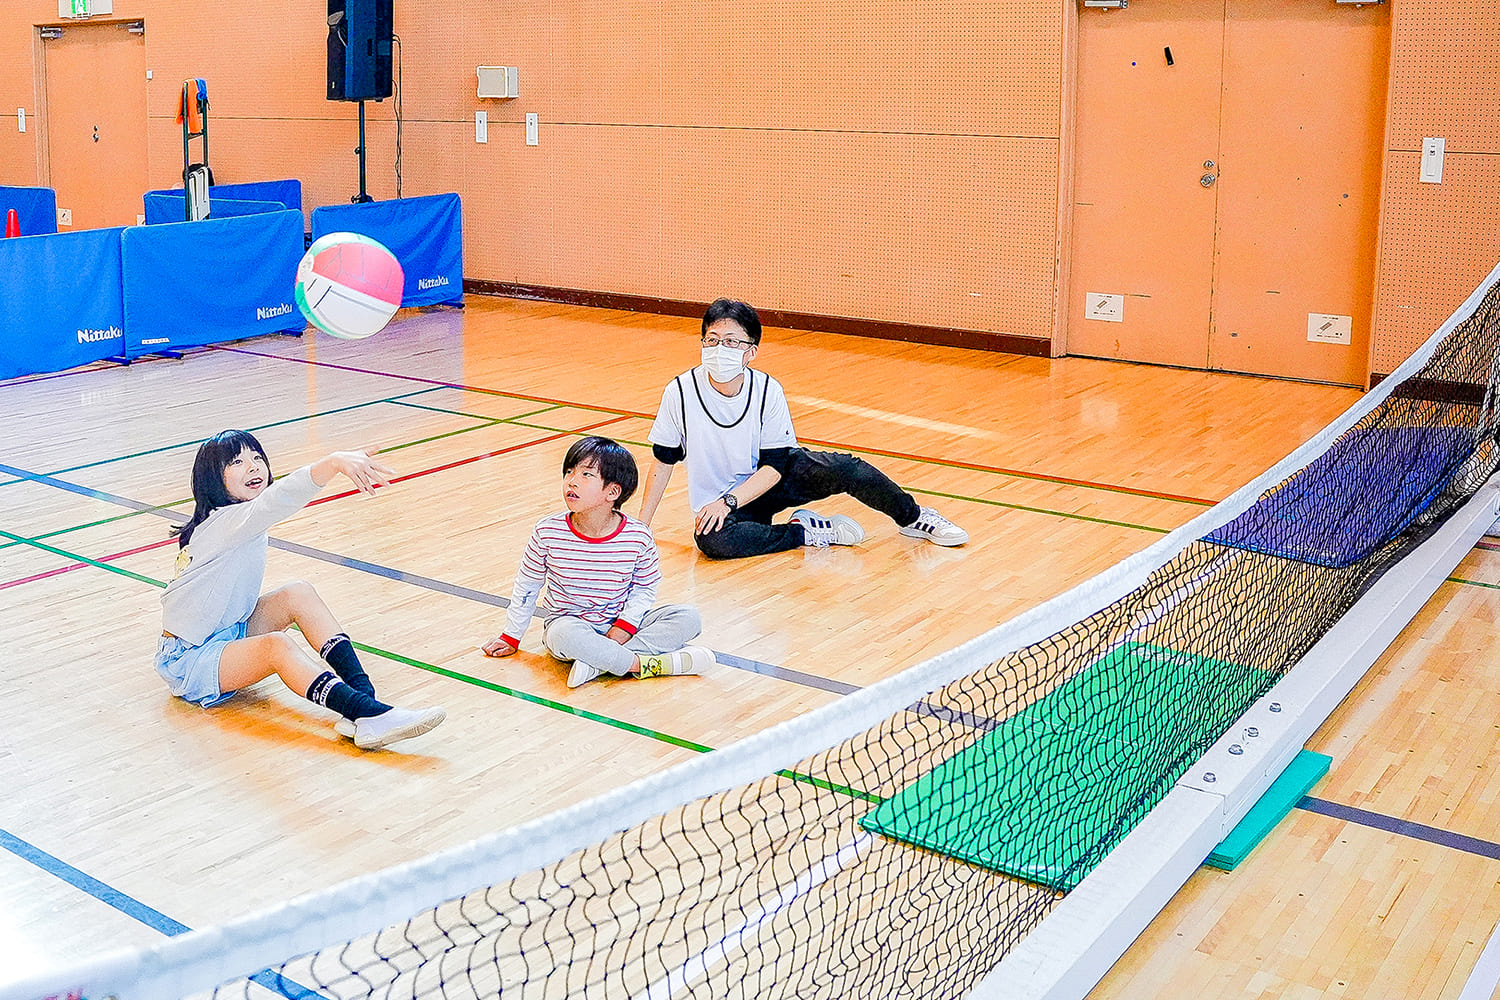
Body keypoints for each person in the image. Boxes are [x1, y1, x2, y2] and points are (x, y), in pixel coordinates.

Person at [157, 430, 445, 751]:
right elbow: (279, 498)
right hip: (192, 660)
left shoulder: (235, 519)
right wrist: (333, 462)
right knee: (276, 647)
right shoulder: (226, 523)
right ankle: (366, 712)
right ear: (212, 478)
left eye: (256, 458)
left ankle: (364, 706)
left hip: (228, 632)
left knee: (298, 592)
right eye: (237, 462)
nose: (253, 467)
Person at [638, 297, 969, 559]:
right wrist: (642, 528)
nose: (719, 349)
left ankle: (912, 518)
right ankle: (806, 532)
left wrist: (730, 503)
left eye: (731, 341)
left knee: (848, 469)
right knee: (712, 540)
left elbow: (774, 468)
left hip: (773, 480)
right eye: (711, 340)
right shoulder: (679, 391)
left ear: (751, 352)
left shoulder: (768, 390)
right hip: (723, 499)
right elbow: (664, 461)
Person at [482, 436, 712, 689]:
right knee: (562, 635)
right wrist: (511, 636)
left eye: (586, 474)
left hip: (622, 627)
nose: (572, 480)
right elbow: (527, 586)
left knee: (688, 617)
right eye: (569, 472)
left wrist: (622, 629)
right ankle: (642, 665)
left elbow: (644, 589)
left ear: (612, 492)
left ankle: (597, 664)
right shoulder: (547, 531)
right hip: (569, 624)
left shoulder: (637, 536)